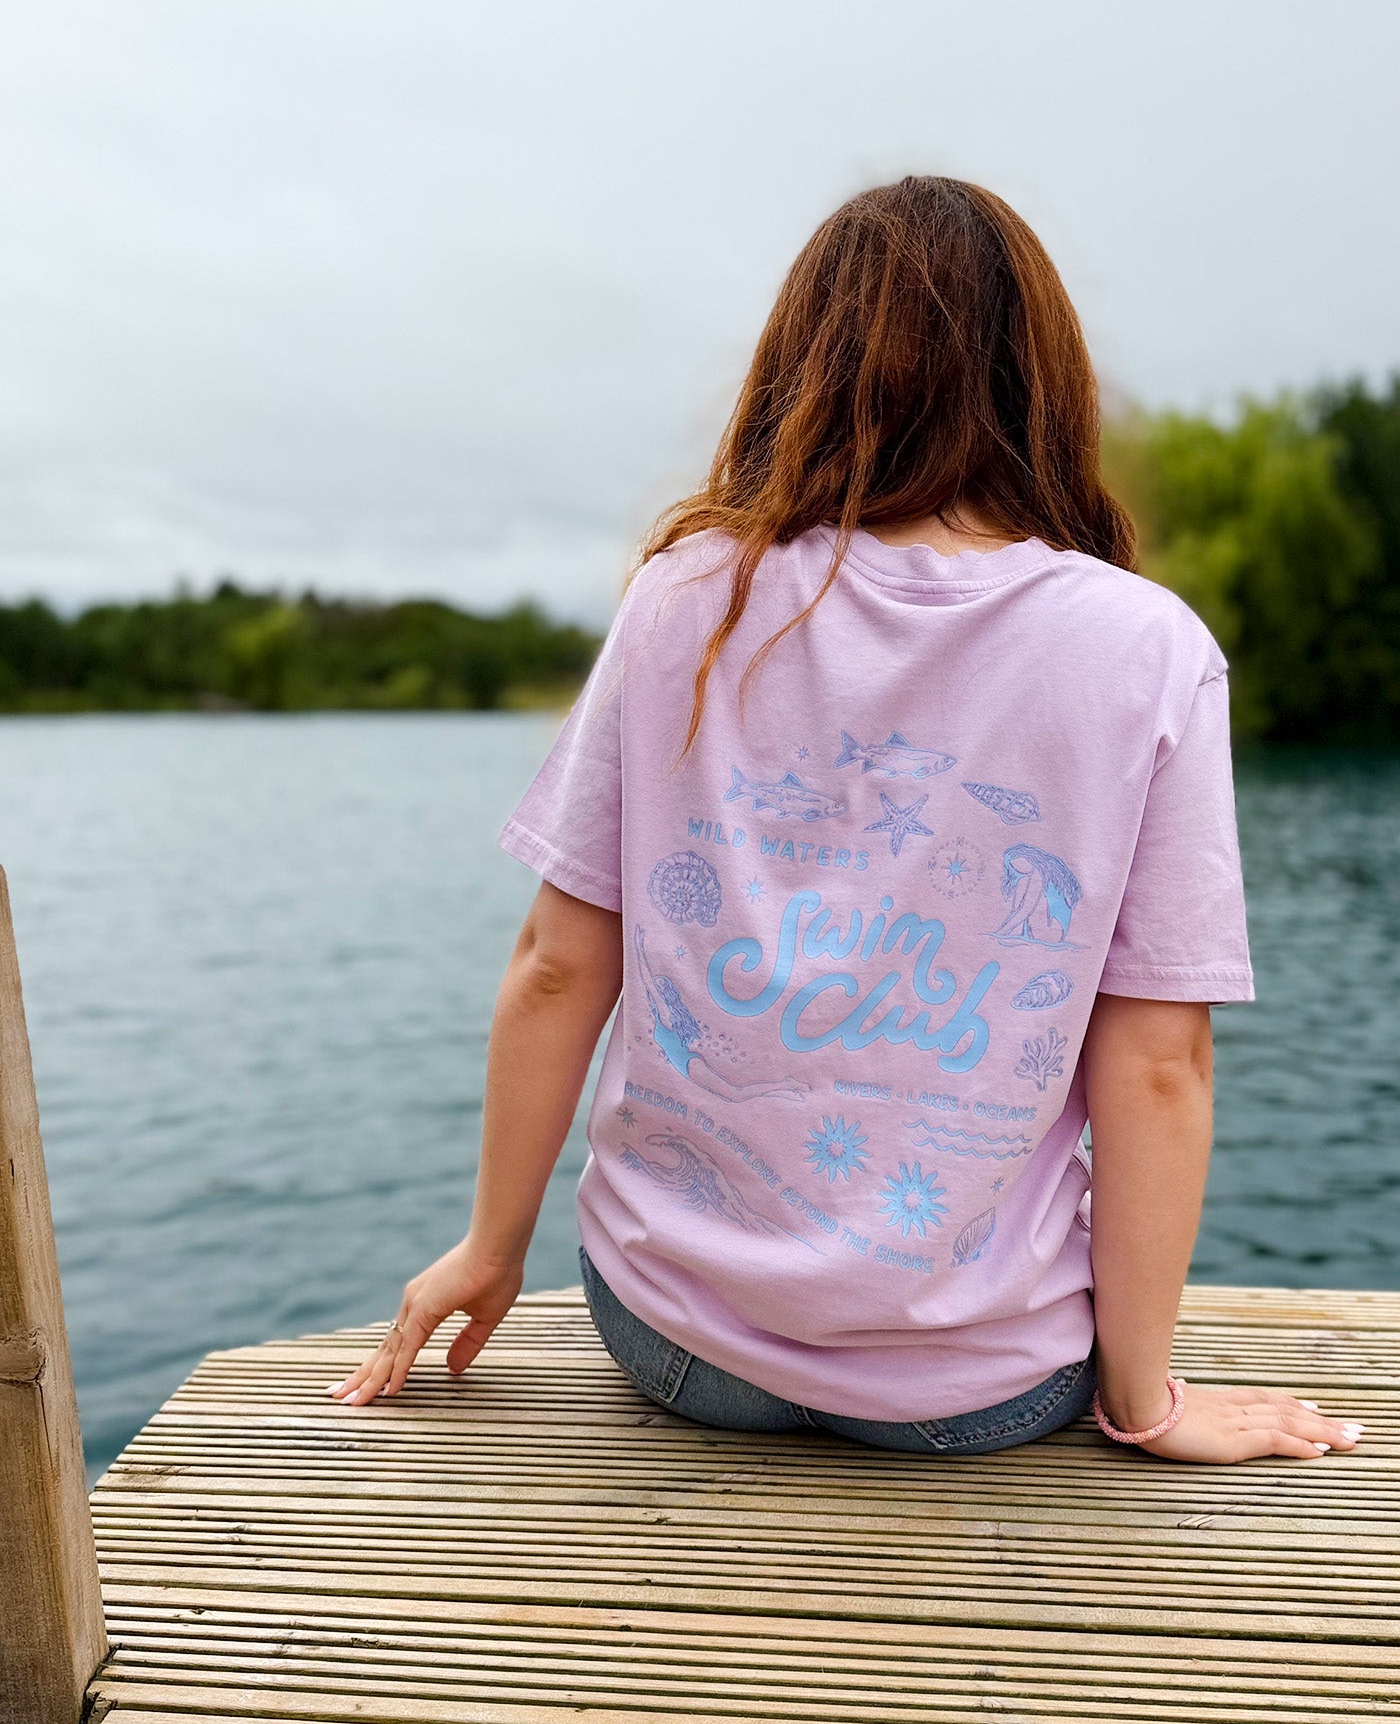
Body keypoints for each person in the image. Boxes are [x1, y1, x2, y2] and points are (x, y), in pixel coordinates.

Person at [329, 176, 1363, 1464]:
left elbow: (556, 964)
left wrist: (492, 1247)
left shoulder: (688, 597)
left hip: (674, 1341)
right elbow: (1159, 1063)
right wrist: (1146, 1398)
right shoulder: (1149, 650)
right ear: (1043, 380)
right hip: (974, 1388)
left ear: (803, 368)